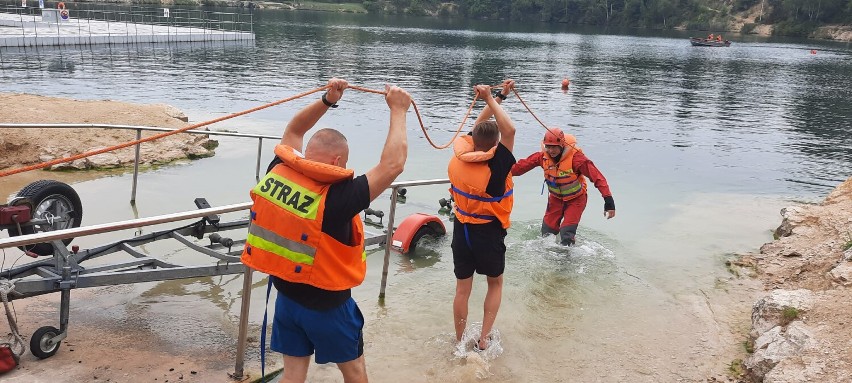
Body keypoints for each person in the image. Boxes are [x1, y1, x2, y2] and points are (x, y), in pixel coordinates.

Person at [240, 78, 412, 383]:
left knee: (292, 376)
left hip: (286, 299)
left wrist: (328, 100)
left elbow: (294, 129)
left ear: (307, 153)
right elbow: (392, 165)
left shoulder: (278, 169)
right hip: (329, 308)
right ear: (338, 161)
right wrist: (398, 111)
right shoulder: (338, 199)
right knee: (356, 374)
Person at [448, 79, 516, 352]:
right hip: (487, 232)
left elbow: (481, 124)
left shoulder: (459, 155)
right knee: (495, 283)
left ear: (473, 140)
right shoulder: (497, 167)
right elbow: (510, 129)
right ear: (496, 144)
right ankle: (484, 340)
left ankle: (458, 340)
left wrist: (496, 97)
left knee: (462, 289)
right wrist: (491, 98)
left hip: (461, 228)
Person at [510, 128, 615, 246]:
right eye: (548, 146)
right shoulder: (542, 157)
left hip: (576, 200)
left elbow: (598, 177)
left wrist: (608, 201)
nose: (551, 150)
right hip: (555, 199)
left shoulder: (577, 159)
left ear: (562, 144)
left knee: (566, 234)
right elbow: (520, 167)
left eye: (554, 147)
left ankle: (567, 261)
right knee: (547, 232)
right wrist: (500, 172)